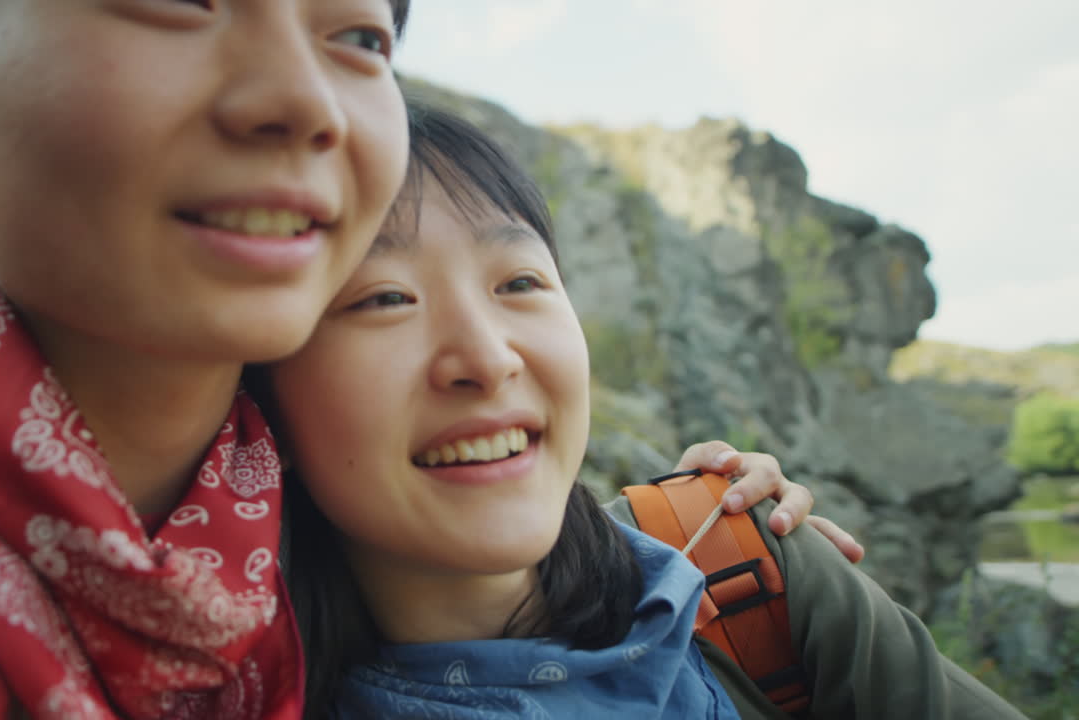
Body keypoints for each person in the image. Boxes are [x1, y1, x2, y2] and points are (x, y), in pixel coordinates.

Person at [0, 3, 837, 719]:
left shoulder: (341, 574)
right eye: (174, 3)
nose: (305, 102)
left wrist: (718, 543)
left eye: (356, 34)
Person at [264, 103, 1026, 718]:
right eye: (386, 298)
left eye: (520, 282)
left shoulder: (741, 565)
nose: (490, 357)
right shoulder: (217, 699)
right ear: (261, 399)